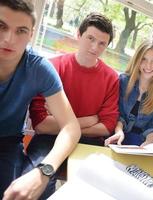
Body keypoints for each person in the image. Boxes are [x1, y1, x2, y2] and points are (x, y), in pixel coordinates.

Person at [25, 12, 119, 198]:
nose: (94, 47)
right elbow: (42, 125)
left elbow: (106, 127)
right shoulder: (51, 67)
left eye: (102, 43)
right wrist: (90, 120)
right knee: (35, 182)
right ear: (78, 34)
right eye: (90, 38)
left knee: (97, 191)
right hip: (48, 141)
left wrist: (63, 124)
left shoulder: (111, 78)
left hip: (89, 143)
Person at [0, 0, 81, 199]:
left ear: (32, 34)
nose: (9, 39)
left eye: (21, 31)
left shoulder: (39, 68)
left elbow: (71, 127)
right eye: (1, 26)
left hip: (7, 144)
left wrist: (44, 170)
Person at [105, 39, 153, 146]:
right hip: (117, 133)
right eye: (144, 59)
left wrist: (149, 142)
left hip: (141, 140)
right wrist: (119, 132)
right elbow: (118, 114)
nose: (148, 66)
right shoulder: (123, 81)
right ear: (137, 60)